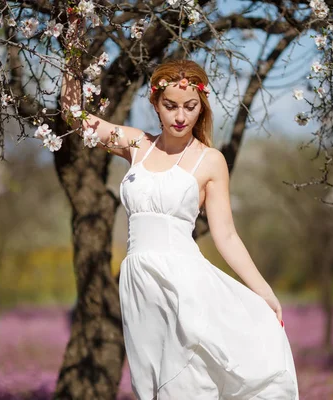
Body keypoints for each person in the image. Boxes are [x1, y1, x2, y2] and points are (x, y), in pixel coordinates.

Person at [61, 59, 299, 399]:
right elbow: (75, 117)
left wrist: (263, 291)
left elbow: (226, 234)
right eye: (170, 106)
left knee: (188, 383)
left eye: (190, 107)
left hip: (185, 282)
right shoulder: (136, 145)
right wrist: (73, 37)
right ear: (156, 104)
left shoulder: (210, 160)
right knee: (152, 385)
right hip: (140, 282)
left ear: (201, 107)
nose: (180, 116)